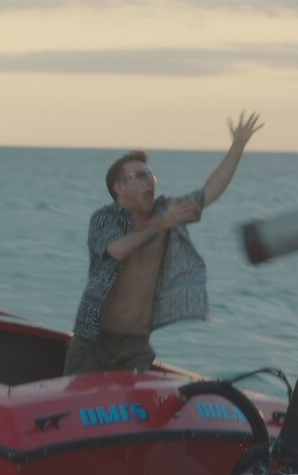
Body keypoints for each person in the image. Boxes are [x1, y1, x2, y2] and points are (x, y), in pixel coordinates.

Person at [63, 111, 263, 375]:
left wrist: (237, 146)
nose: (149, 181)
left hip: (136, 346)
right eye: (140, 175)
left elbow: (210, 192)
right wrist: (161, 225)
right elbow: (118, 250)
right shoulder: (104, 218)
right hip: (92, 342)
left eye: (150, 175)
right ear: (119, 187)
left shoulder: (167, 211)